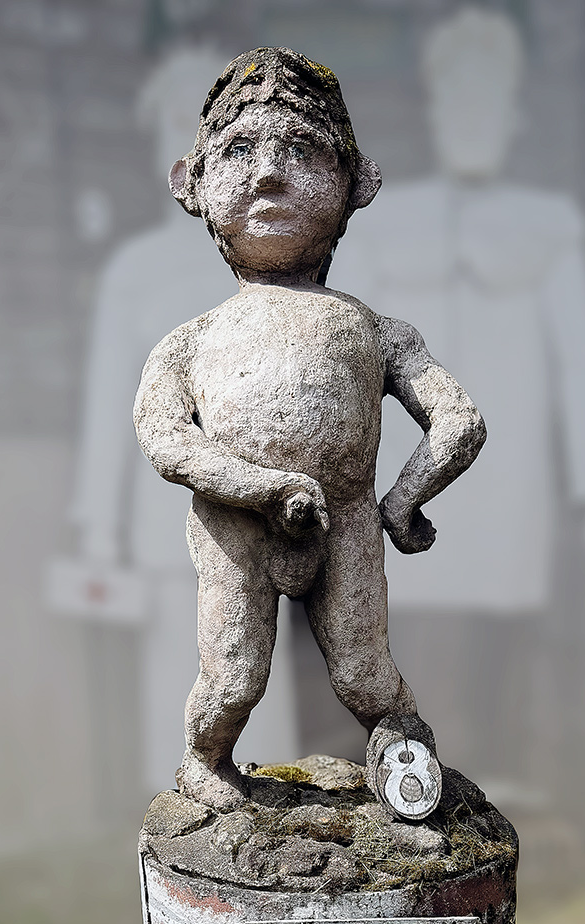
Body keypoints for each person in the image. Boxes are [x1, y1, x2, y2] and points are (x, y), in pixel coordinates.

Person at [133, 48, 485, 818]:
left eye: (302, 149)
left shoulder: (376, 331)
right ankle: (205, 762)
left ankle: (405, 771)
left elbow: (459, 420)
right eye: (239, 151)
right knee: (232, 681)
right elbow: (165, 441)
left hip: (346, 520)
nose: (269, 174)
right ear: (191, 184)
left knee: (369, 677)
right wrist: (262, 489)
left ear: (358, 183)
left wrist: (401, 501)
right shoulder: (190, 344)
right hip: (237, 527)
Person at [331, 6, 585, 788]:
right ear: (435, 108)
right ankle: (411, 777)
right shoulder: (387, 222)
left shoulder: (547, 227)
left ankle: (503, 773)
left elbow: (582, 362)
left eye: (490, 96)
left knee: (506, 621)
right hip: (412, 465)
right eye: (458, 96)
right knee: (410, 619)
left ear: (515, 112)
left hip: (512, 467)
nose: (473, 115)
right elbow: (349, 347)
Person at [67, 48, 299, 796]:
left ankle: (277, 804)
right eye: (170, 121)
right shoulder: (133, 272)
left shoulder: (272, 263)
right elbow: (111, 405)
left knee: (259, 666)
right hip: (165, 505)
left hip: (264, 502)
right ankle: (183, 817)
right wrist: (99, 526)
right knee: (180, 667)